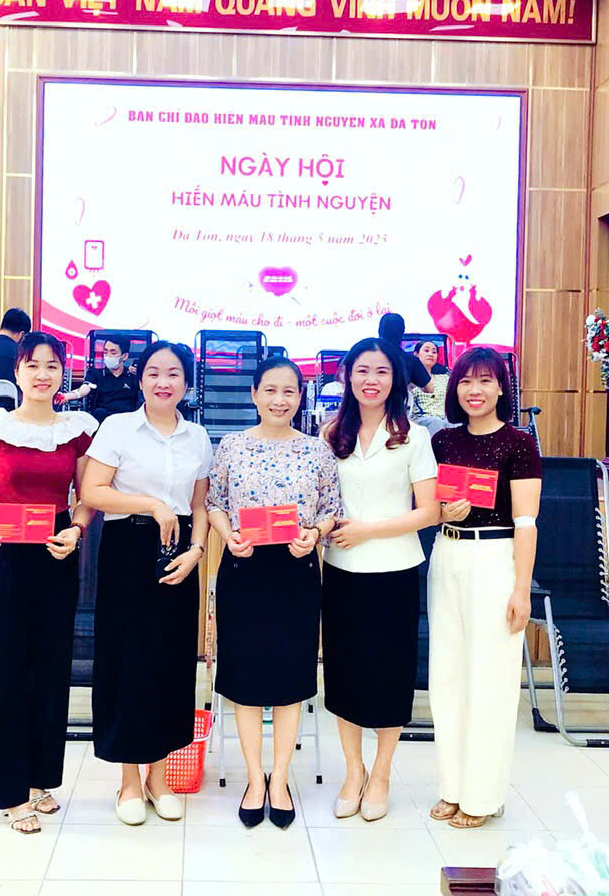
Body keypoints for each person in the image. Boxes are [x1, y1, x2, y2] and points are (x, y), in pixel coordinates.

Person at [0, 332, 97, 834]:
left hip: (55, 553)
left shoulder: (78, 432)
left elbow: (87, 496)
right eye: (33, 364)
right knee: (5, 670)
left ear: (63, 374)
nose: (42, 374)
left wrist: (76, 530)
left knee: (50, 669)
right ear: (17, 371)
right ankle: (10, 792)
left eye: (52, 365)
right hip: (5, 554)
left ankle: (39, 780)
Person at [79, 340, 211, 826]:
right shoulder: (118, 427)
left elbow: (199, 506)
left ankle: (160, 777)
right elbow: (92, 491)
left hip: (180, 553)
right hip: (128, 549)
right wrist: (150, 504)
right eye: (154, 372)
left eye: (173, 373)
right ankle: (130, 780)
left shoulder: (197, 436)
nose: (163, 381)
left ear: (186, 382)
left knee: (170, 663)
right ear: (140, 379)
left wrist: (197, 551)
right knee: (127, 660)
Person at [206, 356, 341, 829]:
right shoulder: (231, 446)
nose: (279, 400)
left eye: (289, 391)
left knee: (290, 678)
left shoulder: (317, 450)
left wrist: (315, 534)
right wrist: (228, 535)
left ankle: (279, 778)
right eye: (270, 390)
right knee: (243, 678)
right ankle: (253, 778)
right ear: (254, 394)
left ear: (300, 397)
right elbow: (215, 502)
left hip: (295, 570)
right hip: (243, 568)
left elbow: (331, 508)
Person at [321, 338, 438, 822]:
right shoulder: (331, 434)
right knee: (344, 672)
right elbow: (321, 502)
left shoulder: (414, 437)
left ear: (396, 380)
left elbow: (428, 512)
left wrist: (367, 530)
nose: (372, 380)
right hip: (341, 570)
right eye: (363, 370)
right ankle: (354, 771)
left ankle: (383, 773)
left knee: (391, 674)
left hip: (395, 570)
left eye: (382, 372)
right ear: (347, 376)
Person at [428, 347, 541, 829]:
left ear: (500, 388)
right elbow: (427, 505)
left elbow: (527, 522)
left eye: (485, 380)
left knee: (491, 679)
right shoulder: (443, 441)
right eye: (466, 381)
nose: (474, 390)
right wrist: (442, 511)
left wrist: (521, 589)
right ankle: (453, 788)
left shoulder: (519, 443)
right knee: (447, 676)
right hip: (447, 554)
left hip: (496, 559)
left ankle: (482, 796)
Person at [61, 336, 140, 423]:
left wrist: (142, 374)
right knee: (99, 413)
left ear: (124, 356)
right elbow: (84, 390)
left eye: (113, 353)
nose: (108, 356)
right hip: (103, 420)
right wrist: (66, 396)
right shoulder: (95, 374)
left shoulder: (133, 376)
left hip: (127, 420)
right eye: (105, 352)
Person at [378, 312, 436, 394]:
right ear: (403, 332)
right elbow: (429, 389)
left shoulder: (366, 354)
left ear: (379, 330)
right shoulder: (411, 360)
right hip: (397, 402)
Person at [411, 340, 452, 435]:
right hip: (420, 419)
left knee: (455, 423)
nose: (430, 354)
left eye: (434, 352)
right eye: (426, 351)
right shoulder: (409, 379)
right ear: (416, 354)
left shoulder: (445, 378)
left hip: (444, 418)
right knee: (435, 422)